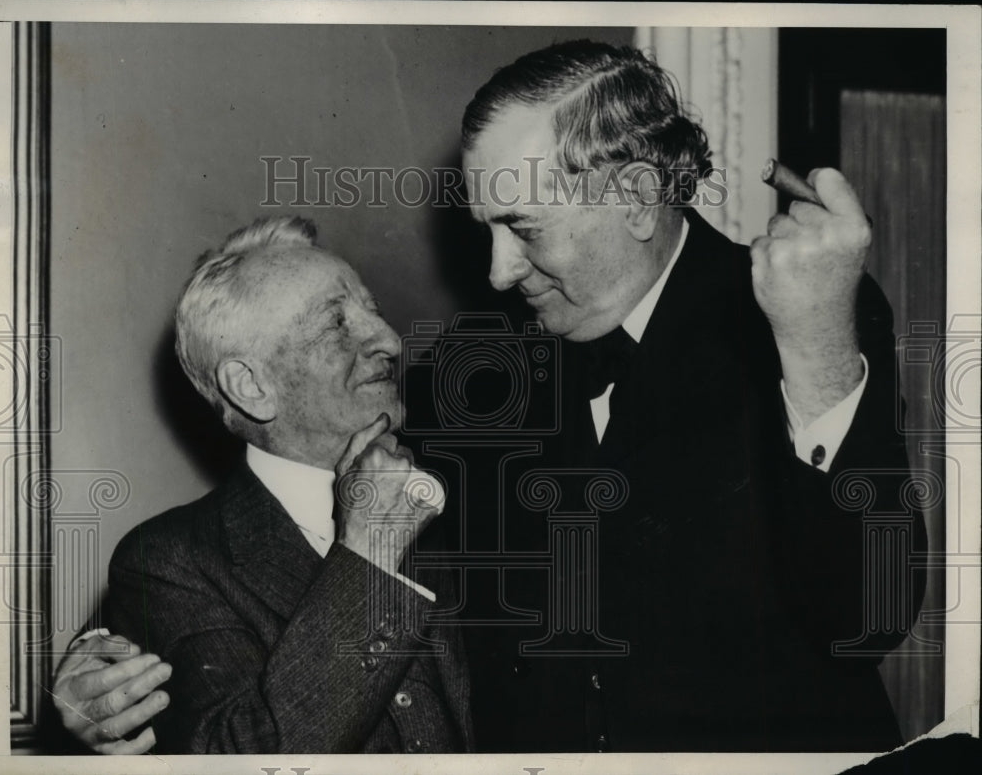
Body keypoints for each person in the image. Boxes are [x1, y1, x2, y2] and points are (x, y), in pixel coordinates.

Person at [53, 39, 925, 753]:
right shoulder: (485, 364)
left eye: (523, 228)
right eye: (486, 230)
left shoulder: (800, 314)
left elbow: (869, 616)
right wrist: (107, 661)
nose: (499, 273)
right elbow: (309, 513)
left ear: (632, 196)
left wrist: (814, 346)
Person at [54, 217, 473, 754]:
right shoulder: (171, 559)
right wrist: (372, 550)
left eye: (376, 312)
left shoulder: (469, 489)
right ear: (251, 387)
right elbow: (252, 756)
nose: (390, 339)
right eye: (337, 324)